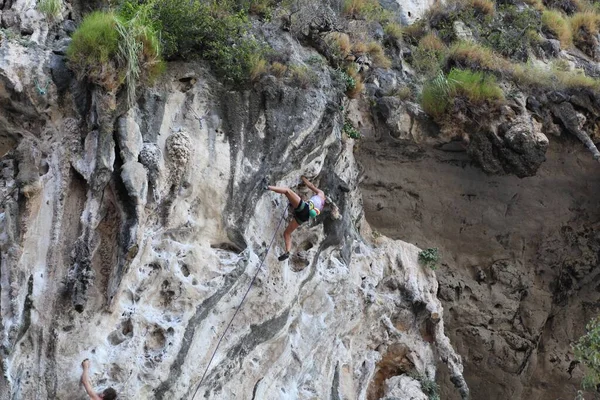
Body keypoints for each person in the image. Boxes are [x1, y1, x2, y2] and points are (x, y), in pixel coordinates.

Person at [266, 176, 326, 261]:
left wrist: (303, 178)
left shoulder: (321, 193)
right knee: (287, 233)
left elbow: (311, 186)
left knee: (287, 191)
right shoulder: (320, 208)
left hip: (304, 208)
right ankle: (287, 252)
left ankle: (267, 187)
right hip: (304, 217)